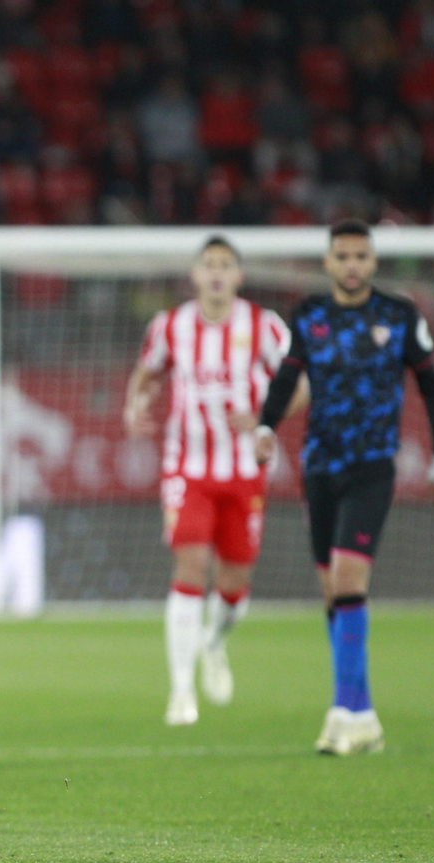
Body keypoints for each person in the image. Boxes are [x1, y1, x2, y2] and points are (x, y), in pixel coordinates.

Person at [254, 219, 434, 755]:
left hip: (372, 466)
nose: (351, 265)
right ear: (328, 261)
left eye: (360, 256)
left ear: (372, 262)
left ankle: (341, 711)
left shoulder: (399, 315)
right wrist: (264, 427)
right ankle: (363, 713)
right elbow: (286, 377)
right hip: (319, 466)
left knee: (348, 578)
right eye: (341, 255)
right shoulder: (310, 315)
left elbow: (432, 387)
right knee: (332, 592)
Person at [123, 236, 299, 726]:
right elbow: (146, 373)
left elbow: (303, 383)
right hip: (188, 467)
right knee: (190, 565)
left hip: (245, 470)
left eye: (226, 265)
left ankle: (214, 643)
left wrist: (267, 417)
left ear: (239, 276)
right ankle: (181, 692)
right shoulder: (170, 326)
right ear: (195, 275)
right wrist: (133, 406)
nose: (217, 273)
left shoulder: (264, 327)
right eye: (209, 265)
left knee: (235, 581)